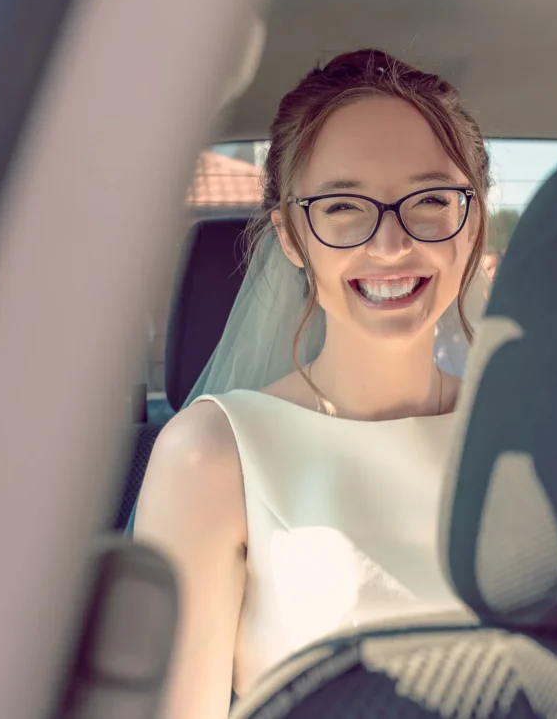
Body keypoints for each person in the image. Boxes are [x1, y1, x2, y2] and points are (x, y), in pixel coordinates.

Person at [132, 49, 491, 719]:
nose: (390, 246)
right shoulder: (211, 455)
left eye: (434, 199)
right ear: (292, 237)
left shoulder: (526, 434)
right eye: (344, 207)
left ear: (472, 223)